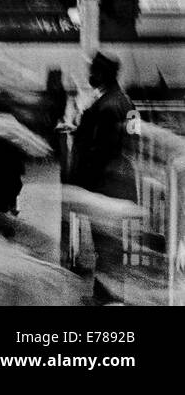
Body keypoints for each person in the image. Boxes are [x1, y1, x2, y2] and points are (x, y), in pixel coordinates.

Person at [69, 51, 137, 304]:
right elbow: (133, 139)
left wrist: (81, 184)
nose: (90, 76)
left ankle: (108, 298)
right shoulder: (126, 103)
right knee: (110, 246)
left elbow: (98, 150)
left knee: (106, 246)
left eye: (94, 71)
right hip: (120, 184)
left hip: (104, 186)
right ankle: (105, 294)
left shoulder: (106, 107)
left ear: (104, 73)